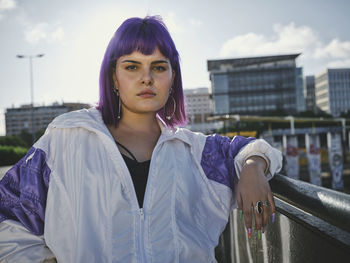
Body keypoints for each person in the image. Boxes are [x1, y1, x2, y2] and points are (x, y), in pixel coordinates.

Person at [0, 16, 282, 262]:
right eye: (132, 67)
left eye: (159, 67)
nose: (146, 78)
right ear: (113, 77)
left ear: (172, 79)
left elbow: (250, 149)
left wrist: (254, 165)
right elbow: (8, 217)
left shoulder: (196, 153)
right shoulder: (66, 139)